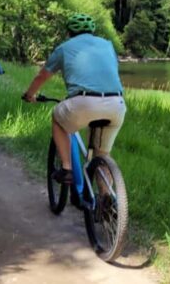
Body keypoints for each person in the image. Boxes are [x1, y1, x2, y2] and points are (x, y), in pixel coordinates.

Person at [22, 13, 126, 185]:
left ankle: (66, 168)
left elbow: (42, 76)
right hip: (117, 104)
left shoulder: (64, 48)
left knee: (57, 118)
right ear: (92, 31)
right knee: (102, 155)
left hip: (83, 103)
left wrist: (29, 95)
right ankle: (107, 201)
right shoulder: (107, 45)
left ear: (69, 32)